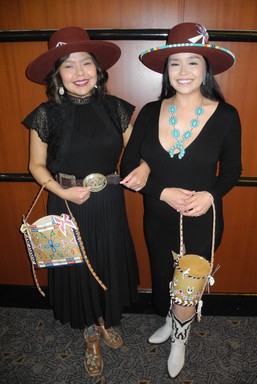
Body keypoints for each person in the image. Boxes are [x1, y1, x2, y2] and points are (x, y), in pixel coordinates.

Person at [22, 26, 148, 377]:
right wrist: (63, 193)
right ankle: (89, 333)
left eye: (86, 63)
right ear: (57, 74)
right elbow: (35, 165)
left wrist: (146, 166)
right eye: (69, 65)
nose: (80, 73)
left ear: (98, 70)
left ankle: (104, 319)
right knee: (77, 269)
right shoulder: (46, 115)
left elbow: (139, 150)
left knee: (105, 261)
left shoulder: (116, 108)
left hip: (108, 201)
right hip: (66, 203)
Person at [120, 22, 242, 378]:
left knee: (187, 288)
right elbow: (129, 165)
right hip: (157, 218)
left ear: (206, 68)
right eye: (175, 63)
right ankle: (172, 322)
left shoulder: (226, 115)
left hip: (201, 219)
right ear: (166, 69)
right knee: (164, 282)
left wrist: (211, 195)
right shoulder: (149, 110)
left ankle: (179, 340)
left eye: (193, 62)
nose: (184, 71)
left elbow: (233, 170)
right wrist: (160, 190)